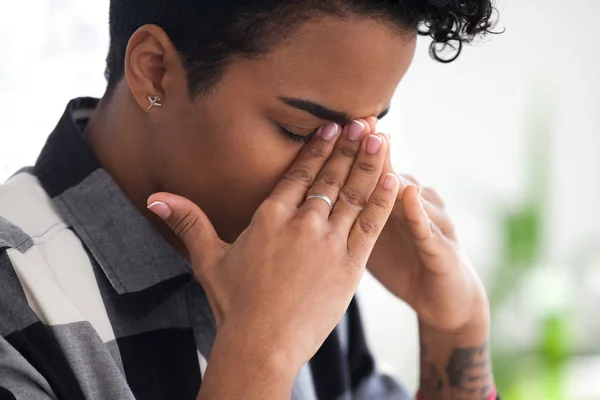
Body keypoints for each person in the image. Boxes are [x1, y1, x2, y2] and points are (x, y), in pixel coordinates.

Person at [0, 1, 500, 399]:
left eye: (367, 131)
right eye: (301, 131)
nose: (343, 173)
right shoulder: (13, 300)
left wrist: (456, 328)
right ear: (154, 72)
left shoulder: (305, 249)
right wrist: (261, 358)